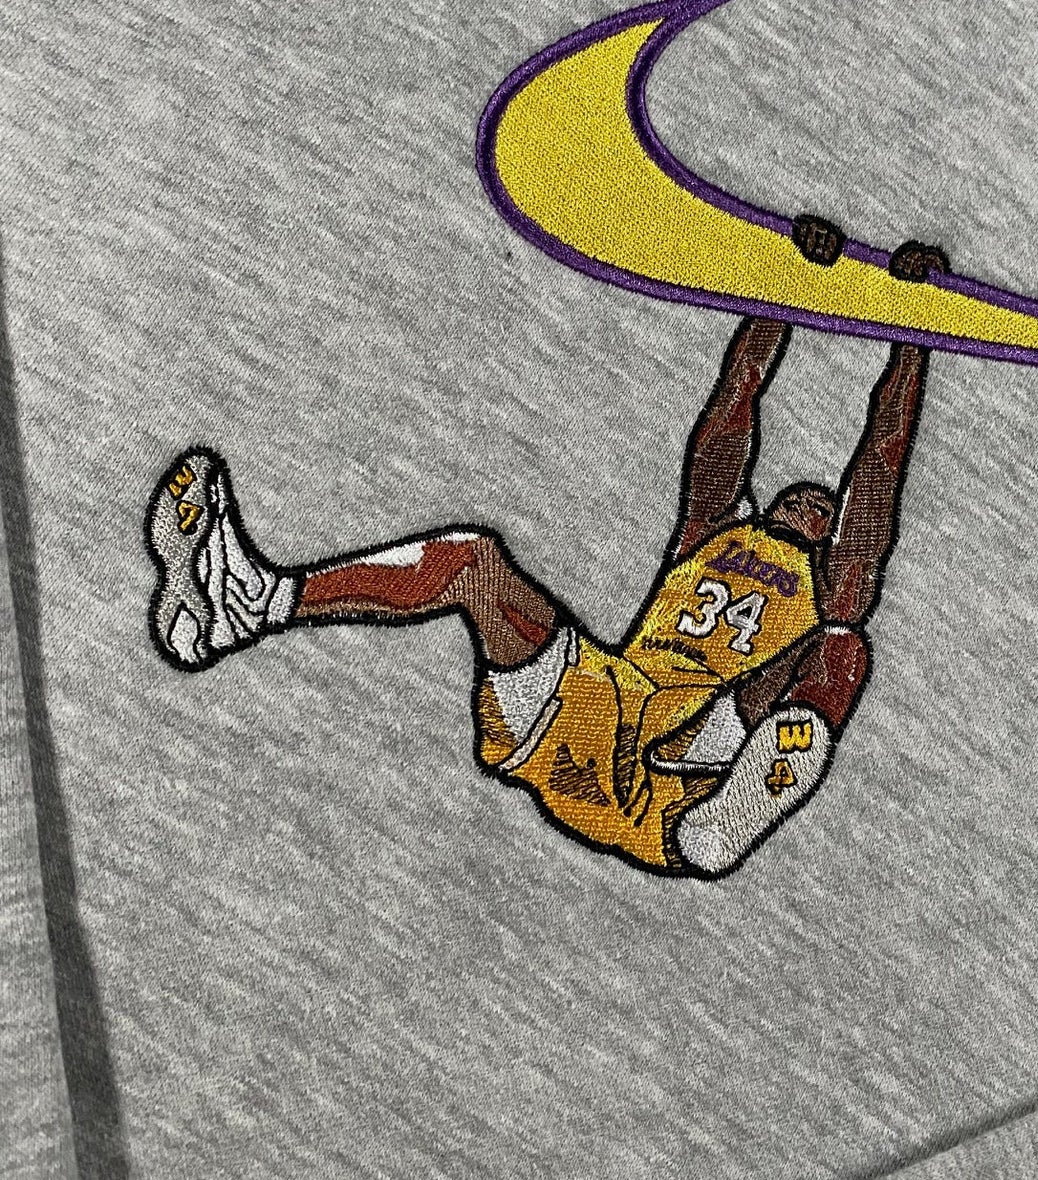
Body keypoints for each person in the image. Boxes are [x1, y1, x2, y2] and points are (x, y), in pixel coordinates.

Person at [145, 220, 939, 877]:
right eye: (800, 493)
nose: (810, 499)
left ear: (832, 528)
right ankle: (254, 603)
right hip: (595, 711)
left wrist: (909, 332)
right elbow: (735, 400)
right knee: (471, 562)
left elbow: (879, 461)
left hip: (682, 775)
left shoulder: (835, 580)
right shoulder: (711, 527)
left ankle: (724, 813)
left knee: (838, 649)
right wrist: (785, 290)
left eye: (823, 506)